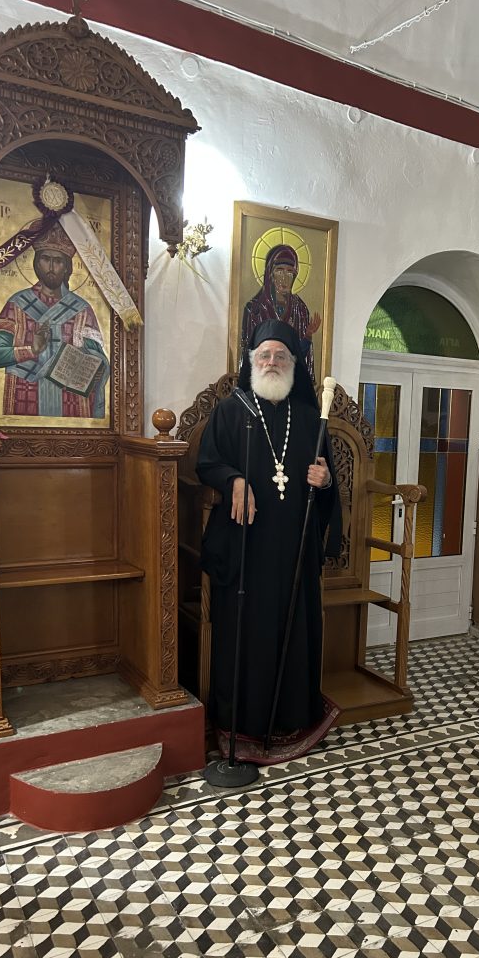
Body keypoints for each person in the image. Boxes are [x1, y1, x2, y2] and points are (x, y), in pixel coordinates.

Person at [197, 319, 341, 763]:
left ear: (293, 363)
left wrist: (325, 480)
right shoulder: (231, 411)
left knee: (293, 631)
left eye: (281, 355)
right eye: (265, 355)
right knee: (247, 634)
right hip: (248, 549)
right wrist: (234, 480)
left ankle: (292, 719)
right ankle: (242, 725)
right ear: (251, 361)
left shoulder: (311, 418)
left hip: (294, 550)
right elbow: (207, 463)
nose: (272, 362)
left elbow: (327, 482)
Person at [0, 223, 110, 418]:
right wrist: (31, 350)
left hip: (71, 402)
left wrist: (79, 360)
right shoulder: (17, 304)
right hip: (25, 399)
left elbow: (99, 363)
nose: (51, 267)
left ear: (67, 267)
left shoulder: (82, 309)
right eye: (45, 259)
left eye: (58, 261)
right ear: (36, 263)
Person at [242, 244, 322, 382]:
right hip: (262, 382)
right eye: (279, 271)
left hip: (290, 383)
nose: (285, 277)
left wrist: (308, 335)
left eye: (290, 272)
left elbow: (299, 356)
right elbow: (249, 352)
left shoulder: (300, 309)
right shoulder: (255, 309)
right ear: (270, 274)